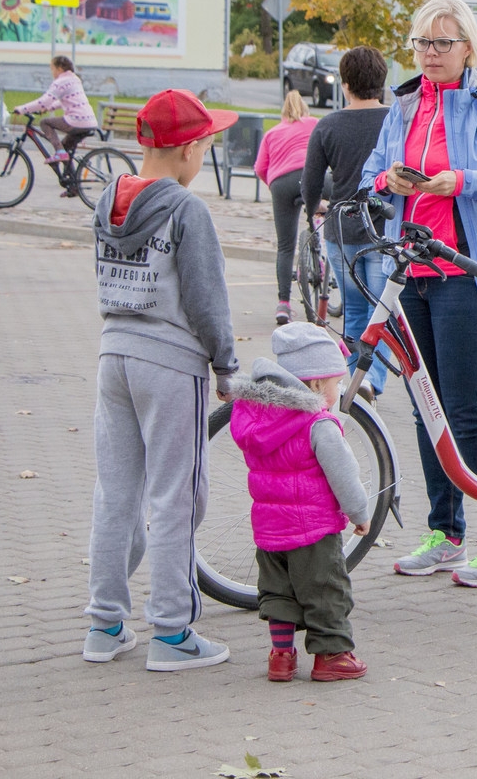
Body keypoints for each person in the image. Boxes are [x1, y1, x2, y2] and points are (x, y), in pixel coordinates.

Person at [361, 0, 477, 587]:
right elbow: (370, 174)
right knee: (427, 411)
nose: (431, 54)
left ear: (468, 47)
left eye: (443, 43)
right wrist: (385, 179)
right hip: (411, 273)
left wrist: (462, 181)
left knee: (466, 413)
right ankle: (445, 532)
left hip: (469, 273)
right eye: (422, 43)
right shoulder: (404, 107)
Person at [84, 89, 240, 671]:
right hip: (171, 363)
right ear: (188, 149)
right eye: (206, 146)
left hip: (114, 354)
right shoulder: (185, 210)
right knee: (178, 497)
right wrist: (225, 365)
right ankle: (172, 633)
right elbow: (206, 297)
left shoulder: (108, 199)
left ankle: (104, 625)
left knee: (115, 494)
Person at [229, 323, 371, 683]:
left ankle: (281, 657)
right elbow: (344, 475)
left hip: (269, 529)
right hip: (313, 529)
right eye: (336, 384)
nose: (338, 391)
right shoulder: (318, 424)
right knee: (326, 592)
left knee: (278, 592)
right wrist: (359, 513)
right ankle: (332, 655)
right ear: (316, 384)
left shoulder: (259, 417)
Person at [301, 47, 391, 398]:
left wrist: (314, 210)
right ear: (381, 82)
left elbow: (311, 181)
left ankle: (355, 379)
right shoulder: (395, 121)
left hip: (341, 229)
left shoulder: (328, 125)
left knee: (353, 308)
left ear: (345, 84)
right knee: (380, 310)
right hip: (384, 230)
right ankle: (372, 380)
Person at [255, 90, 319, 325]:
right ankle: (319, 242)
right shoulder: (314, 124)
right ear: (305, 109)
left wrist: (273, 185)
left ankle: (283, 304)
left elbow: (260, 167)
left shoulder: (272, 133)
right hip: (308, 178)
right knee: (330, 201)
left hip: (281, 183)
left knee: (285, 246)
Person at [16, 56, 97, 180]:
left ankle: (59, 153)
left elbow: (43, 101)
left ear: (59, 68)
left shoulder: (60, 82)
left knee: (45, 123)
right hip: (89, 121)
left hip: (77, 121)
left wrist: (22, 109)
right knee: (65, 148)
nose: (52, 72)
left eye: (52, 69)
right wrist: (48, 108)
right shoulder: (74, 79)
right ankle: (73, 186)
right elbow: (62, 101)